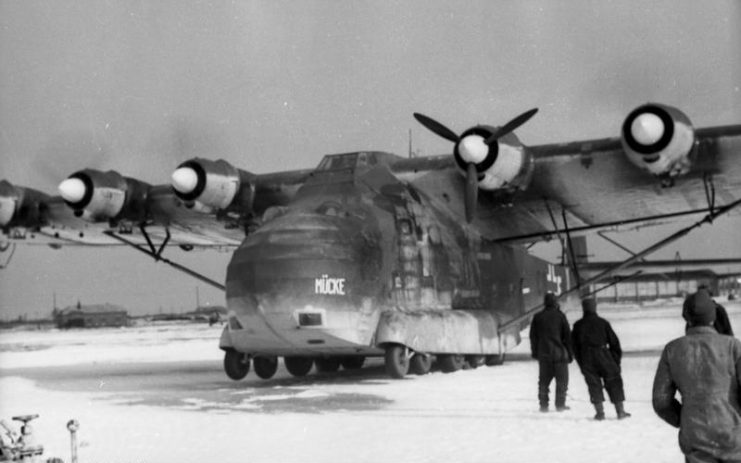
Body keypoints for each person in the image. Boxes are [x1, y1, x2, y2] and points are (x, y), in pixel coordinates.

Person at [653, 290, 741, 462]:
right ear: (713, 317)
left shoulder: (672, 350)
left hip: (695, 436)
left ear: (686, 318)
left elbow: (661, 400)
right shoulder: (733, 347)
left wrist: (683, 418)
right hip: (733, 435)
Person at [571, 298, 631, 420]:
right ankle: (620, 411)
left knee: (593, 384)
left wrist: (582, 363)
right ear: (595, 307)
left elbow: (574, 348)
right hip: (604, 354)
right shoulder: (603, 323)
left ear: (583, 308)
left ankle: (600, 413)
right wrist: (615, 361)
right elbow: (615, 343)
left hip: (587, 357)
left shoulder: (578, 325)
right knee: (614, 380)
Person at [530, 292, 573, 412]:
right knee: (562, 382)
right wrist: (570, 353)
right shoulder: (560, 316)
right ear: (555, 303)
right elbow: (568, 337)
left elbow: (533, 337)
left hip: (544, 355)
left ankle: (543, 405)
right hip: (560, 355)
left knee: (543, 382)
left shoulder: (537, 317)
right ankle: (560, 405)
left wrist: (535, 352)